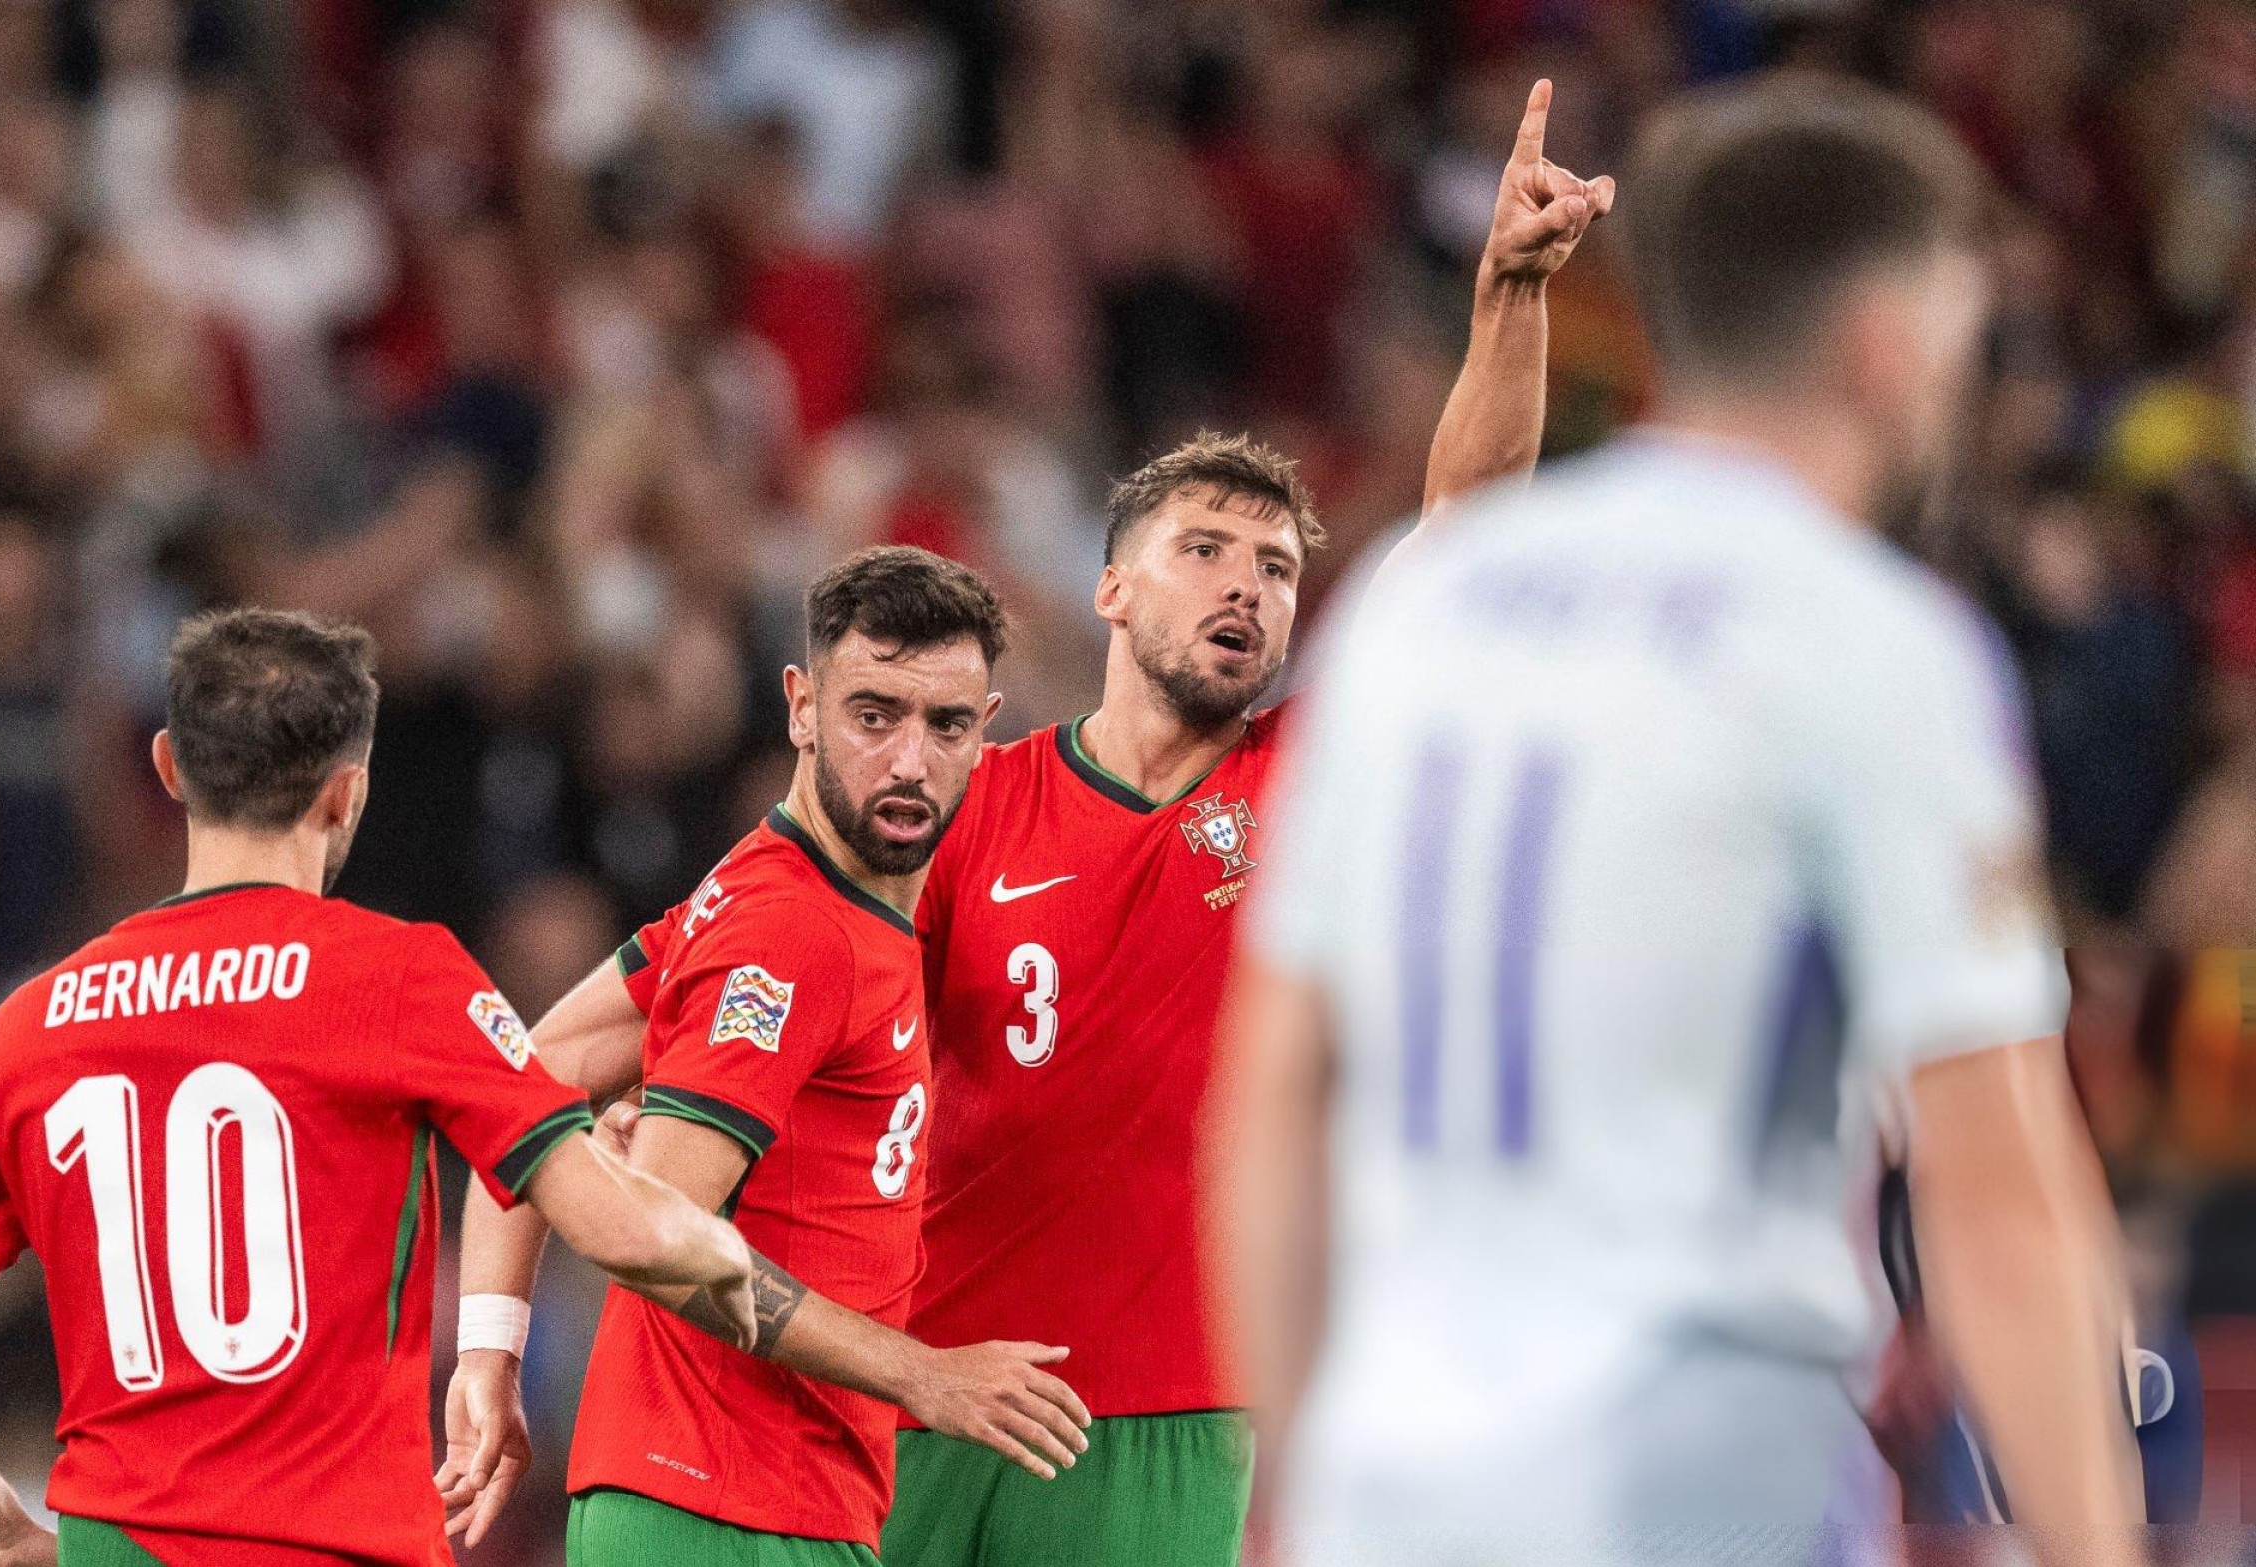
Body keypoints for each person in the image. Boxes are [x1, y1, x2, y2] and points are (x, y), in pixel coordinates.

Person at [440, 78, 1613, 1567]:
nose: (1246, 583)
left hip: (1171, 1410)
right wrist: (508, 1309)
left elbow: (1469, 544)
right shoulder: (943, 809)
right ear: (1112, 589)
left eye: (1275, 563)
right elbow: (569, 1052)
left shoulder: (1309, 787)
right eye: (1203, 549)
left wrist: (1507, 295)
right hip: (910, 1391)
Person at [1216, 75, 2148, 1567]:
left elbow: (1273, 1098)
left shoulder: (1420, 605)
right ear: (1883, 344)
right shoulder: (1870, 640)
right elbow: (2002, 1194)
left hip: (1391, 1491)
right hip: (1693, 1482)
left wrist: (1293, 1507)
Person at [0, 608, 758, 1567]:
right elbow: (625, 1231)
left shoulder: (33, 1021)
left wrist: (2, 1529)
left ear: (168, 767)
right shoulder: (401, 978)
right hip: (338, 1547)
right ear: (346, 791)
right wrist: (735, 1257)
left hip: (121, 1545)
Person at [447, 548, 1093, 1567]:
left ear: (988, 728)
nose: (910, 761)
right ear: (800, 704)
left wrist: (490, 1345)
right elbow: (656, 1237)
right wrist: (922, 1374)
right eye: (873, 714)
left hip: (723, 1502)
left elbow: (519, 1081)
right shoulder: (794, 934)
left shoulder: (766, 893)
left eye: (947, 724)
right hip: (732, 1507)